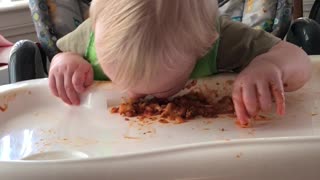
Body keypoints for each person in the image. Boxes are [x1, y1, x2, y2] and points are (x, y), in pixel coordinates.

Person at [49, 0, 311, 126]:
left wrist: (269, 67)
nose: (138, 98)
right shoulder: (95, 34)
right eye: (121, 80)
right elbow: (61, 56)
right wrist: (65, 62)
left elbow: (299, 59)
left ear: (204, 45)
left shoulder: (221, 39)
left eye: (162, 90)